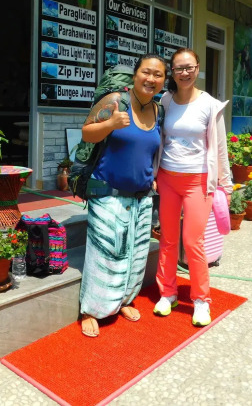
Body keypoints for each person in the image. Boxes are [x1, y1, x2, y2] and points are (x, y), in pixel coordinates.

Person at [79, 54, 167, 337]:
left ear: (164, 80)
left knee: (135, 253)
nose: (151, 79)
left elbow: (151, 150)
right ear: (135, 74)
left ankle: (123, 301)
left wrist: (153, 178)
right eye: (146, 72)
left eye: (158, 75)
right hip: (107, 191)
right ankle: (92, 309)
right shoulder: (116, 100)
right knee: (106, 252)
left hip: (142, 195)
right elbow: (87, 133)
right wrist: (110, 124)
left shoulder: (158, 110)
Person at [153, 47, 233, 327]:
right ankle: (168, 293)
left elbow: (220, 148)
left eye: (189, 67)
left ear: (198, 68)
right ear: (172, 71)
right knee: (167, 239)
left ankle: (201, 300)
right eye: (179, 68)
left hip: (198, 181)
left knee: (192, 242)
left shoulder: (210, 104)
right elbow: (159, 138)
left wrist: (226, 184)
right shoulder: (165, 100)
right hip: (167, 178)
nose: (184, 73)